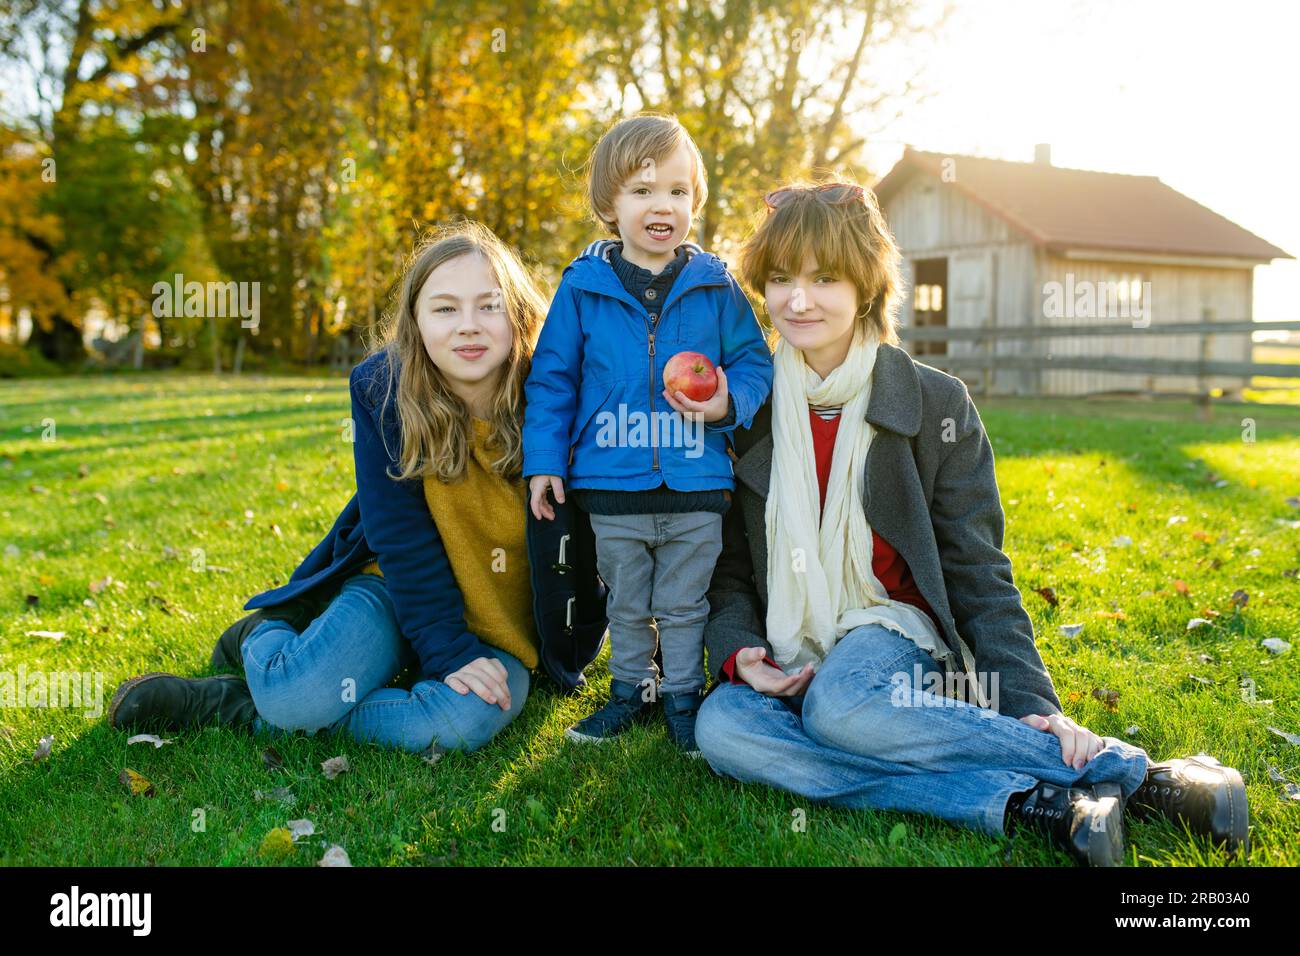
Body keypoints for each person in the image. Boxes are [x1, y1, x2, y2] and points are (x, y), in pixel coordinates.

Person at [693, 181, 1249, 865]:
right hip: (791, 640)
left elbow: (977, 566)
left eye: (824, 278)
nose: (798, 301)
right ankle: (1031, 802)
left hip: (889, 628)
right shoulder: (747, 406)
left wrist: (1029, 701)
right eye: (780, 280)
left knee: (838, 710)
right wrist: (741, 648)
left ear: (866, 283)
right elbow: (731, 568)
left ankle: (1137, 773)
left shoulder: (934, 402)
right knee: (722, 727)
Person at [107, 221, 608, 757]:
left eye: (488, 306)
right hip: (397, 591)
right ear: (415, 321)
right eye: (444, 309)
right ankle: (263, 640)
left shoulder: (561, 401)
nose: (468, 326)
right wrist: (448, 653)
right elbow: (402, 539)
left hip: (501, 629)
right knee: (297, 697)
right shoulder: (386, 392)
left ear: (520, 316)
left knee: (467, 721)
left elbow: (606, 535)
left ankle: (238, 707)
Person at [524, 113, 773, 754]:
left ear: (695, 200)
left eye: (678, 191)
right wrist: (545, 460)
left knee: (687, 603)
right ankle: (629, 691)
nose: (662, 206)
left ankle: (684, 695)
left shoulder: (715, 287)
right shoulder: (583, 288)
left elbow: (754, 362)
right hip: (611, 486)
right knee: (628, 600)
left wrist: (725, 402)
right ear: (610, 204)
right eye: (642, 191)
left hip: (695, 484)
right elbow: (553, 380)